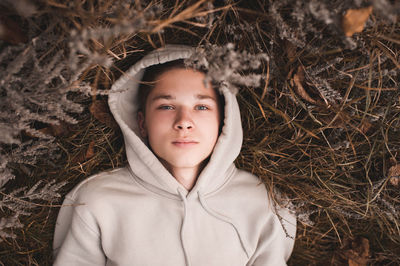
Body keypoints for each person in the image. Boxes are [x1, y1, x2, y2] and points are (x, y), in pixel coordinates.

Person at [52, 45, 296, 266]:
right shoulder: (96, 201)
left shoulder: (262, 202)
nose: (184, 122)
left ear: (224, 121)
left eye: (201, 107)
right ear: (142, 123)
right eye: (167, 106)